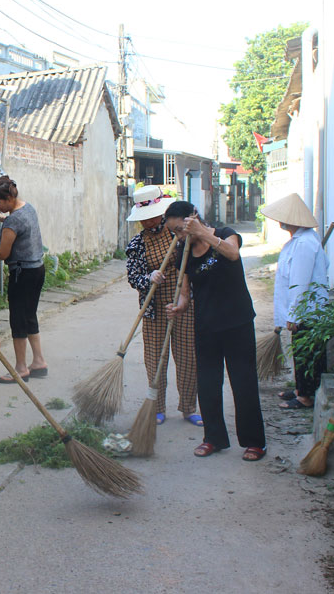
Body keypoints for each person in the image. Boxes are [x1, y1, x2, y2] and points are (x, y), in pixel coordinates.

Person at [165, 201, 267, 461]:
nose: (177, 236)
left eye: (179, 229)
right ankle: (214, 438)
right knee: (208, 384)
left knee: (243, 382)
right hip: (206, 326)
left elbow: (233, 254)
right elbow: (185, 294)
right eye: (173, 232)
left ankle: (254, 442)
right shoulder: (183, 252)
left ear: (193, 219)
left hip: (237, 322)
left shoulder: (224, 234)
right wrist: (178, 307)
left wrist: (203, 233)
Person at [125, 186, 200, 426]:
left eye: (151, 217)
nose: (147, 222)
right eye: (143, 219)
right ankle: (157, 408)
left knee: (188, 356)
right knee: (155, 358)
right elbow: (133, 277)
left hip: (184, 302)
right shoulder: (137, 243)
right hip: (153, 306)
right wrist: (149, 278)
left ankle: (189, 408)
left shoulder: (178, 234)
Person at [261, 193, 329, 409]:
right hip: (303, 310)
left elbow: (300, 283)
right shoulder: (298, 241)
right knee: (301, 352)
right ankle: (301, 389)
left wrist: (294, 315)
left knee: (307, 353)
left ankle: (306, 396)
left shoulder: (305, 243)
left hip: (308, 311)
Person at [0, 175, 48, 383]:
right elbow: (19, 225)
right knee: (29, 315)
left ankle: (21, 368)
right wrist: (4, 220)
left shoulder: (13, 220)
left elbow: (3, 252)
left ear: (9, 199)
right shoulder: (27, 208)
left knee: (18, 319)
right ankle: (38, 361)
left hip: (22, 274)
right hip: (37, 270)